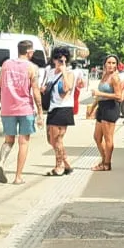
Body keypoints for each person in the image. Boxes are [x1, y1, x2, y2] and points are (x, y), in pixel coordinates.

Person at [0, 40, 43, 184]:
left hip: (7, 108)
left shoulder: (5, 65)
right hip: (24, 108)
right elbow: (35, 91)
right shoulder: (32, 68)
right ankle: (18, 176)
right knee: (23, 142)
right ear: (29, 52)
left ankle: (1, 162)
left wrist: (0, 101)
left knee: (9, 139)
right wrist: (40, 112)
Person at [43, 47, 77, 176]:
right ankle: (66, 162)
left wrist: (63, 72)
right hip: (52, 107)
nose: (60, 62)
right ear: (54, 60)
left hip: (63, 108)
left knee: (58, 139)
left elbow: (67, 87)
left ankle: (59, 166)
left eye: (63, 60)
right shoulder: (51, 72)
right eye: (58, 59)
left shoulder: (69, 74)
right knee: (51, 139)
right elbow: (47, 87)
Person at [91, 54, 124, 171]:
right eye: (109, 62)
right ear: (105, 64)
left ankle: (107, 164)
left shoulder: (115, 78)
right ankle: (104, 159)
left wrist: (100, 94)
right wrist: (93, 106)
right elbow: (98, 93)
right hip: (101, 107)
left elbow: (119, 96)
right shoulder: (105, 75)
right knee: (97, 137)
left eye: (113, 63)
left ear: (116, 65)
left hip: (111, 108)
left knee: (108, 138)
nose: (111, 65)